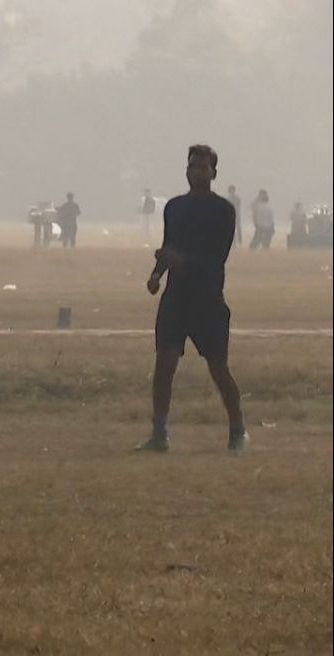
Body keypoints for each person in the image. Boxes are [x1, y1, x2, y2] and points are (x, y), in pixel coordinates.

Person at [138, 145, 248, 454]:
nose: (196, 172)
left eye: (202, 167)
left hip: (208, 299)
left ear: (214, 173)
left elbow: (216, 258)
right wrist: (157, 274)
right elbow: (169, 244)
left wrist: (178, 260)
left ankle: (237, 429)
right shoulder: (174, 207)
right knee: (164, 366)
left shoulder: (224, 211)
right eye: (192, 167)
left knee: (218, 369)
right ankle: (159, 434)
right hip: (176, 298)